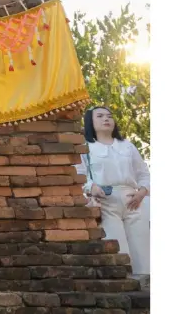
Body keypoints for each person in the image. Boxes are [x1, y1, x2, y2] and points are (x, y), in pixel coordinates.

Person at [81, 106, 151, 275]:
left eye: (109, 116)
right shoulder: (86, 147)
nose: (106, 119)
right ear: (90, 121)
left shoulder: (127, 146)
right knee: (117, 247)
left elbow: (144, 174)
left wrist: (142, 192)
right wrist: (92, 187)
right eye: (100, 116)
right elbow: (80, 175)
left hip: (133, 200)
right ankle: (125, 289)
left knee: (142, 248)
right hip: (106, 201)